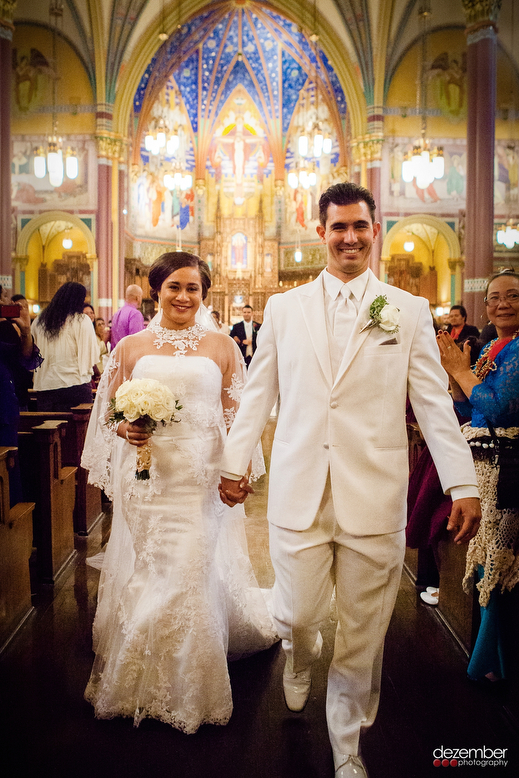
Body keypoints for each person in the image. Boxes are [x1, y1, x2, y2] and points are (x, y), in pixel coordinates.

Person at [219, 182, 481, 778]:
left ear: (374, 230)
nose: (350, 237)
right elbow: (259, 392)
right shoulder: (283, 310)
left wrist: (461, 483)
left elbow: (434, 402)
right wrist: (235, 466)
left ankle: (346, 745)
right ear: (321, 233)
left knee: (363, 633)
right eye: (338, 227)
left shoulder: (405, 310)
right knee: (301, 611)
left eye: (360, 226)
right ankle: (295, 650)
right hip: (299, 489)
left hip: (374, 492)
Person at [81, 252, 277, 732]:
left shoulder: (221, 347)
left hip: (199, 478)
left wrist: (241, 473)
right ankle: (136, 674)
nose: (183, 296)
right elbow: (108, 413)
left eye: (193, 288)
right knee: (150, 566)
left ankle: (190, 684)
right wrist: (125, 428)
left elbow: (238, 416)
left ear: (204, 294)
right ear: (155, 290)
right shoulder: (130, 346)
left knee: (189, 569)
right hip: (147, 479)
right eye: (174, 287)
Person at [437, 269, 519, 685]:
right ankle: (497, 660)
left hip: (510, 467)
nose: (501, 303)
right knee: (487, 562)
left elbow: (504, 409)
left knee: (502, 565)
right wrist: (456, 383)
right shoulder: (490, 348)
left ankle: (489, 660)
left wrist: (463, 374)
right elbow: (474, 412)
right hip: (483, 465)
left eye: (512, 296)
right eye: (493, 297)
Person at [0, 287, 43, 505]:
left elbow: (26, 358)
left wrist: (25, 329)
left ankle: (12, 515)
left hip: (6, 401)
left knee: (9, 462)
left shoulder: (6, 328)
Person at [31, 282, 99, 411]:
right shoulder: (82, 320)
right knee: (77, 430)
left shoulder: (38, 321)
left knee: (48, 429)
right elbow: (91, 355)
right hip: (76, 386)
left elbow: (32, 354)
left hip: (46, 387)